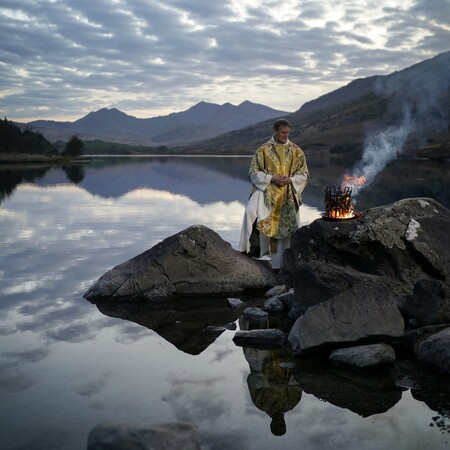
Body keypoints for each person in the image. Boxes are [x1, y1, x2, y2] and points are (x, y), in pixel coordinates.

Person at [238, 118, 309, 269]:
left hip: (288, 193)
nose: (286, 135)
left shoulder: (296, 151)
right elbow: (253, 173)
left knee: (287, 229)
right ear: (275, 131)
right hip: (266, 191)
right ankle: (246, 250)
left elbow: (304, 175)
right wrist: (271, 178)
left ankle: (284, 265)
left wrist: (290, 180)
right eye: (283, 132)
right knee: (250, 212)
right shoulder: (263, 150)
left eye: (288, 132)